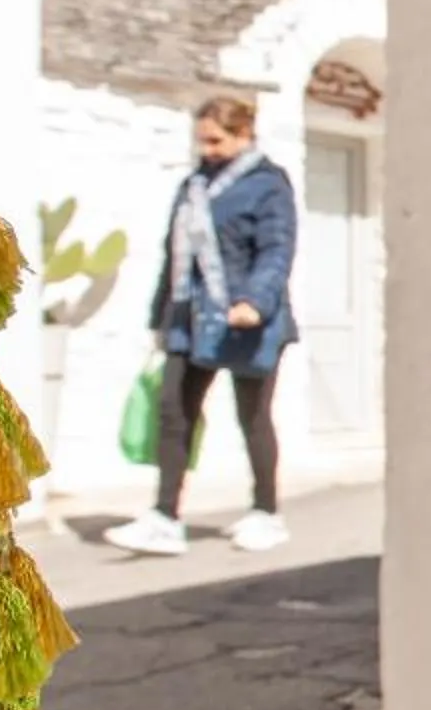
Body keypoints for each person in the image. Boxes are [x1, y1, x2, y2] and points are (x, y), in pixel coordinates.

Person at [106, 95, 299, 556]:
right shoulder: (193, 185)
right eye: (201, 140)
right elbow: (173, 255)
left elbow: (276, 248)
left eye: (216, 140)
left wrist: (254, 299)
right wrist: (159, 317)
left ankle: (265, 512)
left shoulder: (267, 185)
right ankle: (164, 517)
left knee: (252, 416)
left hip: (248, 319)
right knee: (174, 412)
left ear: (244, 134)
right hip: (191, 318)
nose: (207, 149)